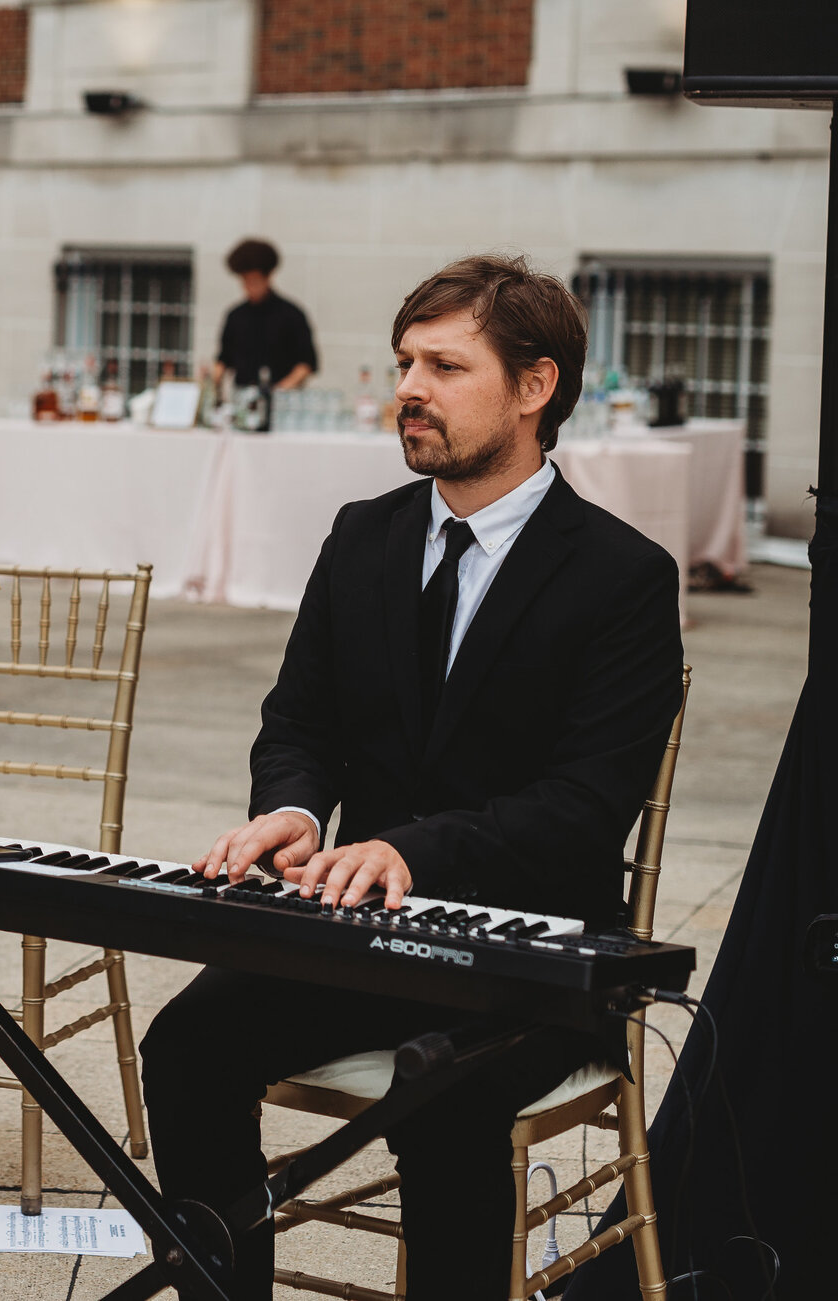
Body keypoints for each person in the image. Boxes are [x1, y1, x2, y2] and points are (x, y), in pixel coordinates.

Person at [142, 254, 685, 1300]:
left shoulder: (622, 576)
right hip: (354, 935)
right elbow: (298, 722)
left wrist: (402, 849)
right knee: (187, 1044)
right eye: (403, 362)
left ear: (535, 388)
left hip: (530, 961)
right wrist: (293, 811)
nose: (408, 389)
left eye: (444, 364)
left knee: (442, 1094)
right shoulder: (363, 538)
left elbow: (582, 808)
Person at [210, 237, 318, 395]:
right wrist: (212, 383)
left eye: (254, 280)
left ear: (268, 277)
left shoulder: (292, 314)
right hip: (243, 401)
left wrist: (280, 390)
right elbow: (224, 359)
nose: (249, 287)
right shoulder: (235, 316)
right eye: (245, 281)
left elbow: (306, 364)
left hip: (281, 402)